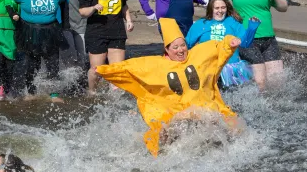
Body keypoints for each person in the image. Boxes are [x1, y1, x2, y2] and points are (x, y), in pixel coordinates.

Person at [96, 18, 242, 156]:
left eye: (183, 45)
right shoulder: (157, 65)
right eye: (175, 47)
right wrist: (105, 70)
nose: (181, 50)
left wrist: (230, 42)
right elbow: (131, 67)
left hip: (204, 107)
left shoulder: (197, 55)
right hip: (175, 112)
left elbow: (217, 46)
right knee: (162, 135)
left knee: (235, 128)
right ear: (167, 50)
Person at [221, 0, 288, 90]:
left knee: (277, 81)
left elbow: (284, 7)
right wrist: (228, 16)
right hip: (247, 39)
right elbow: (217, 1)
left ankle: (274, 103)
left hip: (268, 39)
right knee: (260, 82)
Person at [11, 0, 67, 101]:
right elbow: (9, 2)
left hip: (51, 28)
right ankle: (31, 92)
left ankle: (54, 94)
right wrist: (13, 14)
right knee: (32, 63)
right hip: (30, 29)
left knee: (53, 62)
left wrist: (65, 24)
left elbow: (63, 2)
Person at [80, 0, 133, 94]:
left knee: (117, 69)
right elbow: (82, 12)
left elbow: (124, 6)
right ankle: (92, 92)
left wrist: (129, 20)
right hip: (96, 33)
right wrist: (93, 8)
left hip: (117, 31)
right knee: (97, 70)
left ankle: (114, 98)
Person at [185, 0, 260, 88]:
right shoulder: (201, 24)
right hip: (206, 67)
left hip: (229, 70)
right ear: (211, 9)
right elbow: (187, 44)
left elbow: (245, 43)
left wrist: (252, 28)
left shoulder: (233, 23)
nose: (220, 11)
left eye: (223, 7)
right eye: (217, 8)